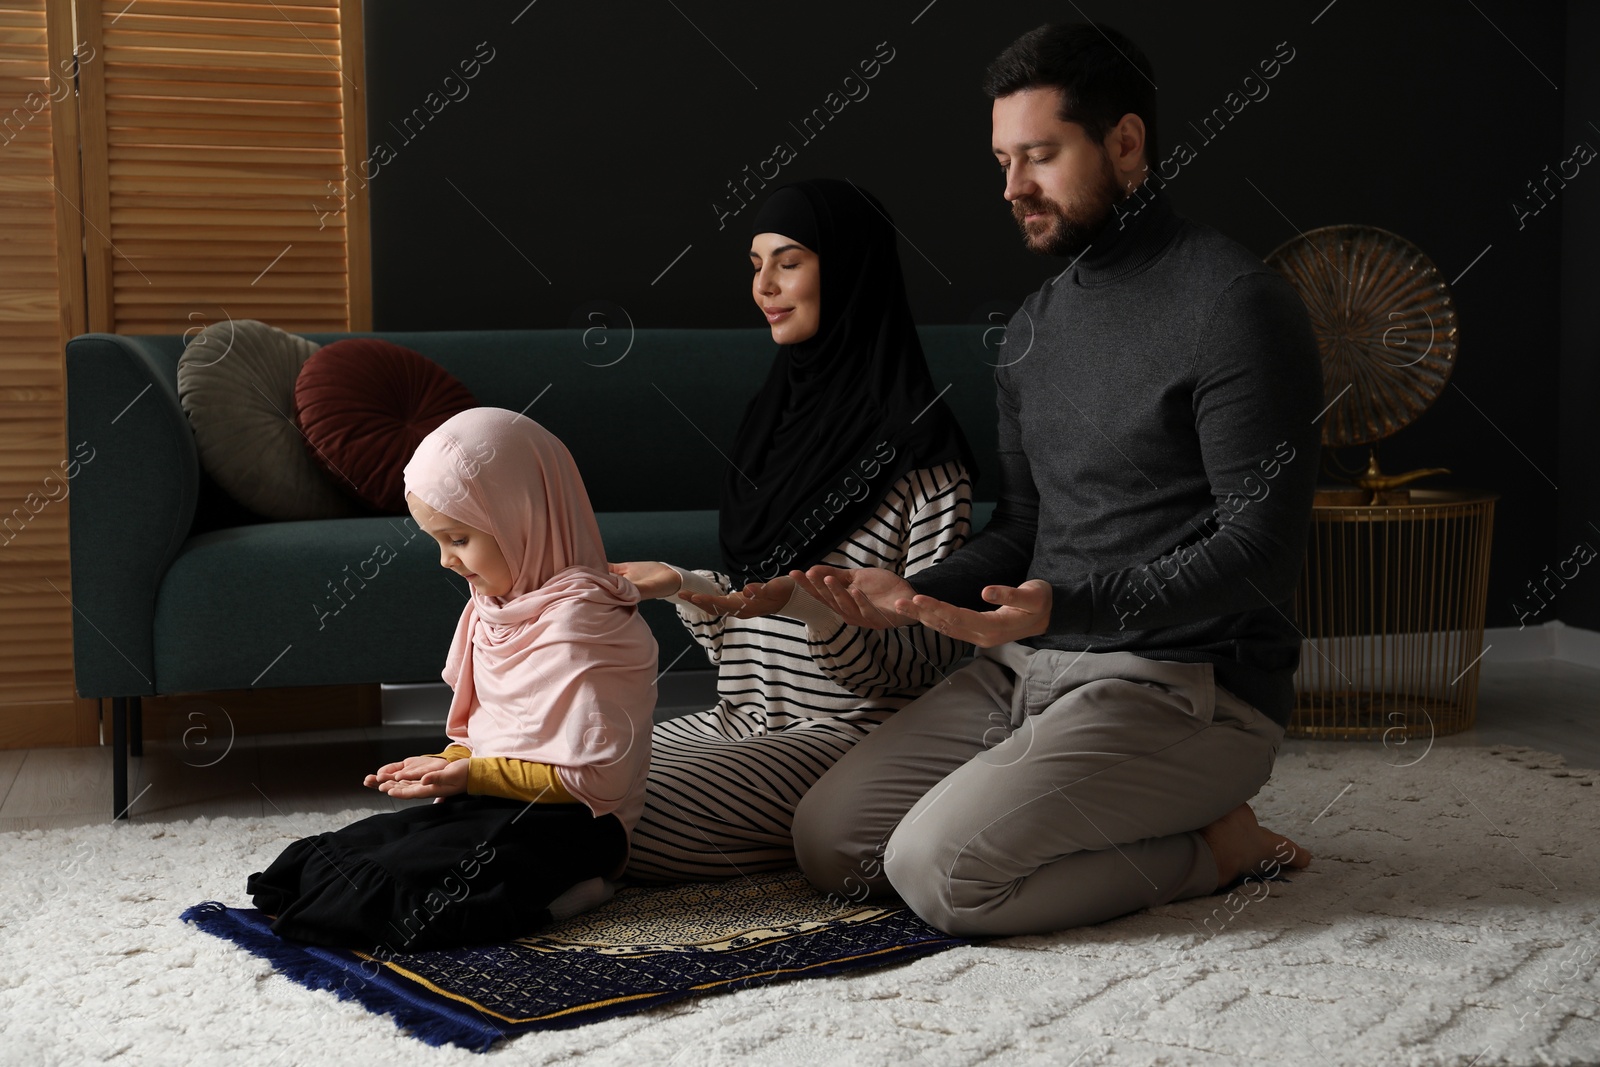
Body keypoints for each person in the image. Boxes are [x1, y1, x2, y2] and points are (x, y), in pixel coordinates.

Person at [785, 23, 1321, 936]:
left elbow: (1261, 551)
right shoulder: (1035, 325)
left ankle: (1221, 846)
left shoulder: (1237, 306)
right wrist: (910, 592)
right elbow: (1023, 525)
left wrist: (1061, 606)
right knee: (831, 845)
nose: (1013, 188)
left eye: (1039, 156)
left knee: (939, 876)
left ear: (1124, 142)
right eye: (1002, 161)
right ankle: (1085, 808)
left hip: (1190, 688)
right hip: (1027, 669)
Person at [612, 179, 977, 883]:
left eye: (789, 261)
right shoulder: (769, 426)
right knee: (562, 776)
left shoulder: (925, 454)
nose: (765, 286)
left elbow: (921, 659)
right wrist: (682, 585)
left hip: (849, 743)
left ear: (847, 267)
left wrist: (816, 609)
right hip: (739, 720)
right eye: (755, 264)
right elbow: (748, 638)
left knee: (606, 812)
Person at [247, 408, 658, 951]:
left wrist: (470, 776)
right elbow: (487, 735)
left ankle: (573, 895)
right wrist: (447, 764)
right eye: (436, 541)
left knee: (401, 903)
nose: (445, 560)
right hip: (493, 801)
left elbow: (596, 782)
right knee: (320, 868)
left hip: (575, 824)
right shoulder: (493, 608)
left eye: (459, 539)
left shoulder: (585, 622)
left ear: (523, 517)